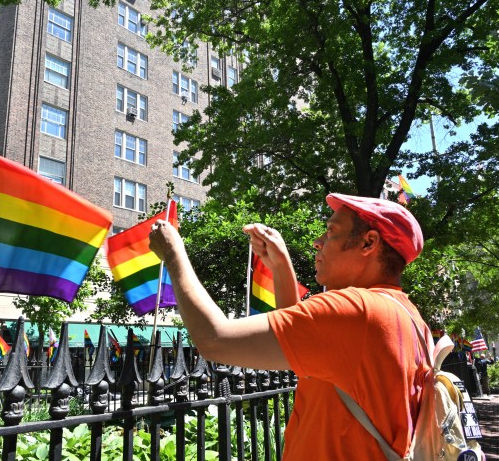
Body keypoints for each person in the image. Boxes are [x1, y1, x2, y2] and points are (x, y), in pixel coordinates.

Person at [149, 193, 429, 460]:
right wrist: (282, 268)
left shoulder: (357, 310)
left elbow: (214, 340)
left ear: (368, 243)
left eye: (331, 232)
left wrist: (174, 253)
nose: (318, 242)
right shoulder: (409, 318)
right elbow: (300, 353)